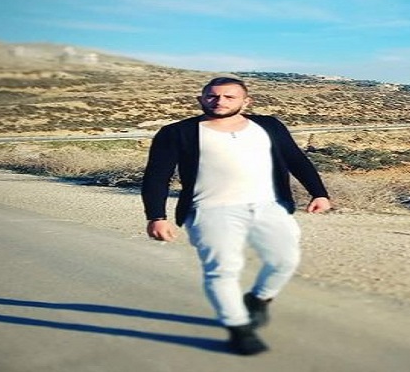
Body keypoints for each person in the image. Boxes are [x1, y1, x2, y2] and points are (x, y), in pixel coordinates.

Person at [141, 77, 331, 355]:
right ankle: (239, 329)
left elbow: (296, 159)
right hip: (210, 209)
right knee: (222, 270)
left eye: (229, 96)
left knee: (284, 261)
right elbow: (157, 176)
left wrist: (319, 193)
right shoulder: (177, 132)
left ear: (246, 101)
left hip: (269, 206)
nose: (220, 101)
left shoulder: (269, 126)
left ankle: (259, 299)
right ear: (201, 99)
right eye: (212, 96)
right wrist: (156, 216)